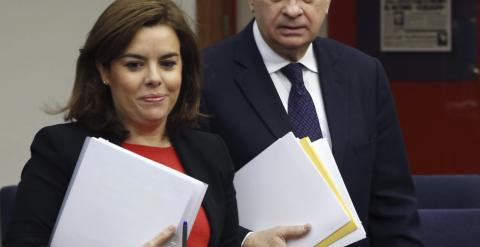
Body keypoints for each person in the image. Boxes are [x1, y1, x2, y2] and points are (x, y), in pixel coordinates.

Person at [4, 0, 240, 246]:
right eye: (134, 65)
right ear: (105, 72)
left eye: (168, 63)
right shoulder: (60, 149)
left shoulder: (212, 151)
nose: (154, 78)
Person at [200, 0, 424, 246]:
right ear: (252, 2)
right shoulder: (205, 75)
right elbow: (200, 206)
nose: (293, 10)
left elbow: (393, 204)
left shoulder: (363, 74)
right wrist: (246, 240)